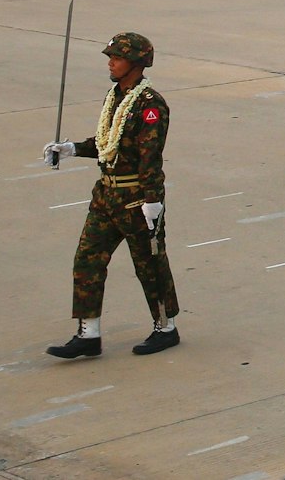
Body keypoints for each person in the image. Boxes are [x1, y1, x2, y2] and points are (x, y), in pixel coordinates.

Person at [42, 32, 181, 358]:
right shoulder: (116, 96)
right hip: (106, 196)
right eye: (111, 57)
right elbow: (107, 142)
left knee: (149, 265)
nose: (111, 63)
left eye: (117, 58)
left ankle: (166, 328)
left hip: (136, 199)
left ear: (136, 63)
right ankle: (88, 333)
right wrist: (72, 149)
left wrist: (153, 201)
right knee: (87, 259)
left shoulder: (150, 105)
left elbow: (150, 157)